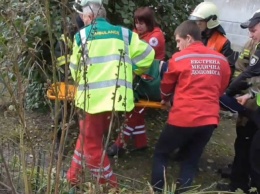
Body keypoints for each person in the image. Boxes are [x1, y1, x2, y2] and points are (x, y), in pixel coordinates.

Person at [66, 0, 155, 188]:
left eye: (83, 16)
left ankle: (110, 186)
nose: (82, 19)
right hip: (115, 99)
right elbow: (148, 55)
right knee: (87, 138)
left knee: (91, 145)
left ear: (89, 17)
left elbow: (75, 69)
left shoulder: (82, 36)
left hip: (91, 101)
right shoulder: (124, 34)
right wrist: (132, 71)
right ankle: (73, 178)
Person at [150, 20, 231, 192]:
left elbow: (166, 85)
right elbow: (221, 88)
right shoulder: (221, 59)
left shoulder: (180, 58)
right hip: (209, 120)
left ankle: (157, 190)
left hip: (183, 118)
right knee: (191, 159)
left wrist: (165, 99)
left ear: (188, 38)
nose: (178, 46)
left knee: (161, 153)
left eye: (179, 41)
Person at [107, 6, 165, 157]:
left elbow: (137, 55)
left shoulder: (154, 38)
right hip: (140, 76)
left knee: (135, 111)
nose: (138, 26)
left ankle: (119, 144)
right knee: (136, 109)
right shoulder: (138, 33)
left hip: (150, 80)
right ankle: (141, 143)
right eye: (136, 22)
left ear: (149, 23)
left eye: (141, 23)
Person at [217, 10, 260, 193]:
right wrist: (247, 93)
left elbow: (250, 73)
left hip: (255, 109)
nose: (250, 34)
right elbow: (244, 68)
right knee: (244, 142)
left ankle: (244, 183)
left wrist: (232, 90)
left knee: (252, 149)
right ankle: (239, 179)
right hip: (251, 102)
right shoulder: (253, 45)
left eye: (254, 29)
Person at [188, 1, 238, 76]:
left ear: (211, 20)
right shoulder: (193, 36)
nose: (198, 23)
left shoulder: (223, 42)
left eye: (201, 20)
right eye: (196, 20)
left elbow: (227, 70)